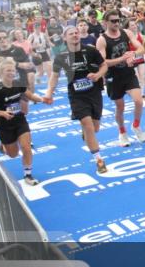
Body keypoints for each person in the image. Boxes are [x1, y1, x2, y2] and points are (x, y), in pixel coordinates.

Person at [44, 26, 109, 174]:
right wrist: (49, 93)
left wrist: (98, 75)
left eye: (76, 33)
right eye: (71, 34)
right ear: (65, 38)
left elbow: (104, 65)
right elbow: (54, 76)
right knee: (88, 125)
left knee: (95, 127)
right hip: (76, 95)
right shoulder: (61, 56)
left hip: (94, 93)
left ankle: (86, 131)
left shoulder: (91, 50)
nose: (75, 35)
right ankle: (99, 160)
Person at [0, 58, 44, 186]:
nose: (11, 73)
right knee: (13, 154)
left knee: (26, 147)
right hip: (4, 125)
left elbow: (30, 95)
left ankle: (28, 175)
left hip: (20, 121)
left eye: (13, 70)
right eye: (8, 70)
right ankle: (3, 144)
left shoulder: (18, 84)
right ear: (1, 72)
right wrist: (2, 113)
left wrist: (43, 99)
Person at [97, 10, 145, 147]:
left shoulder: (126, 33)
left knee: (138, 101)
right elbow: (102, 62)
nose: (116, 23)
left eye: (118, 20)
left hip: (128, 73)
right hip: (113, 77)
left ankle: (136, 126)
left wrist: (133, 54)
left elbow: (141, 49)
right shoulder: (102, 40)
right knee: (120, 107)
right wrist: (121, 59)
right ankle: (122, 132)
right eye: (113, 21)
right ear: (106, 22)